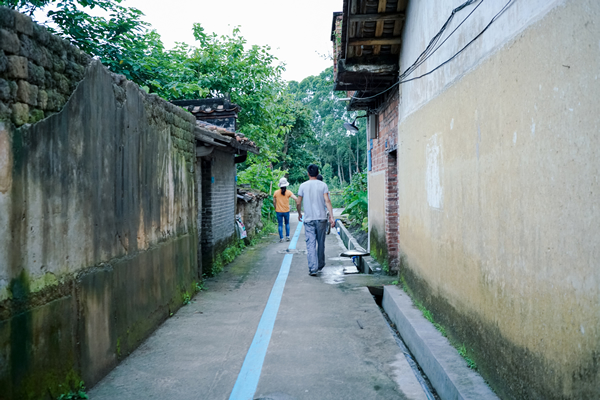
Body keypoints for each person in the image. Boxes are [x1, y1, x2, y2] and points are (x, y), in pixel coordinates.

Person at [297, 164, 335, 276]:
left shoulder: (302, 186)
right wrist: (331, 217)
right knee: (321, 242)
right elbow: (327, 201)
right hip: (321, 218)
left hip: (308, 219)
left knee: (310, 244)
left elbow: (298, 202)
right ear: (317, 173)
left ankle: (313, 268)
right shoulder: (323, 185)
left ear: (308, 173)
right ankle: (320, 264)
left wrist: (299, 213)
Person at [273, 177, 297, 242]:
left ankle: (281, 238)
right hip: (286, 211)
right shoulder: (288, 192)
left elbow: (274, 202)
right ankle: (288, 237)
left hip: (279, 211)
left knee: (280, 224)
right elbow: (295, 198)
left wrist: (276, 208)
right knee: (287, 223)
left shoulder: (276, 192)